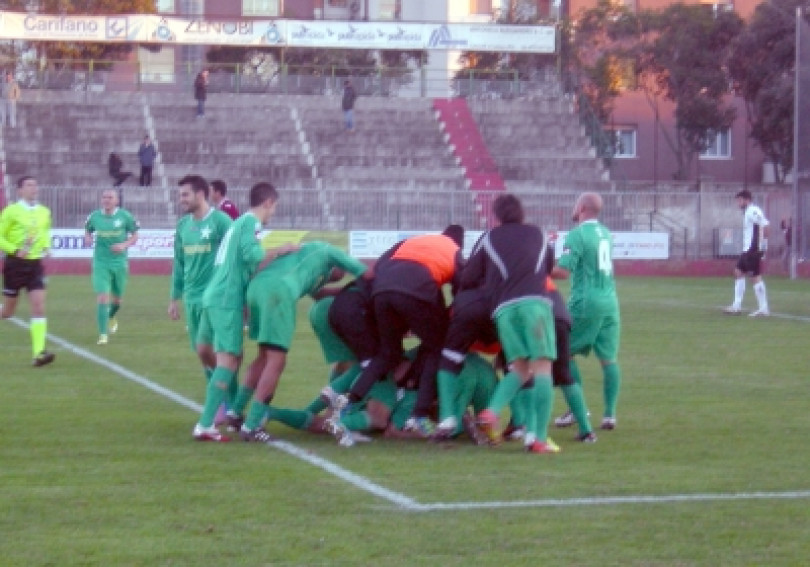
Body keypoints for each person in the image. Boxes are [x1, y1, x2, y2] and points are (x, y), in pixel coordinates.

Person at [332, 225, 465, 437]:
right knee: (437, 347)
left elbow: (381, 265)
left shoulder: (416, 241)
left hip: (381, 293)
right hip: (415, 291)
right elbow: (461, 291)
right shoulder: (454, 251)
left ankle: (348, 402)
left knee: (387, 353)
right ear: (460, 243)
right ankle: (419, 416)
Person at [229, 242, 369, 442]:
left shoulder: (312, 265)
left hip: (258, 288)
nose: (339, 276)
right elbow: (367, 274)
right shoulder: (328, 251)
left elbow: (319, 293)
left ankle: (235, 412)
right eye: (340, 271)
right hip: (279, 291)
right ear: (338, 261)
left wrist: (342, 290)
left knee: (263, 356)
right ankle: (252, 424)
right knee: (276, 360)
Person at [192, 182, 297, 443]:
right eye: (274, 207)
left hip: (213, 294)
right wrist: (279, 250)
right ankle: (206, 424)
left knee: (227, 358)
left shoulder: (239, 224)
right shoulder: (250, 224)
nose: (274, 212)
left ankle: (228, 416)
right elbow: (252, 255)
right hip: (226, 298)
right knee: (228, 360)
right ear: (268, 203)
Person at [464, 194, 559, 454]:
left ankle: (492, 411)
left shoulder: (489, 238)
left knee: (519, 368)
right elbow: (548, 267)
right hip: (534, 306)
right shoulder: (538, 235)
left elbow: (469, 275)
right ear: (522, 212)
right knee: (542, 369)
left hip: (503, 311)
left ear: (495, 216)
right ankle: (538, 437)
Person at [551, 191, 622, 431]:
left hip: (585, 302)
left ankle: (577, 408)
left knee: (562, 353)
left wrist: (533, 269)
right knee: (609, 359)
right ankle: (610, 415)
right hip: (610, 301)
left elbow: (563, 272)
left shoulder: (577, 234)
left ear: (581, 207)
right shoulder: (605, 233)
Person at [168, 175, 233, 393]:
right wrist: (174, 297)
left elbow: (235, 259)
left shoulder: (221, 222)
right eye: (180, 195)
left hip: (215, 299)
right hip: (191, 298)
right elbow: (179, 262)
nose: (181, 200)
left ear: (201, 194)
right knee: (202, 352)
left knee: (214, 351)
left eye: (185, 195)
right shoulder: (183, 225)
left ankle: (228, 402)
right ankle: (222, 401)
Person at [0, 176, 55, 366]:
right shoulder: (11, 211)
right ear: (19, 191)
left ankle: (39, 354)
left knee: (39, 306)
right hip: (14, 265)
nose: (34, 188)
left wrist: (47, 246)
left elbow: (45, 231)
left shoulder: (44, 211)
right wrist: (15, 250)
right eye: (29, 185)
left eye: (35, 184)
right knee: (7, 312)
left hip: (35, 266)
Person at [84, 189, 140, 345]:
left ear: (117, 201)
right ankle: (103, 335)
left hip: (119, 263)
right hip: (101, 263)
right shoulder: (95, 216)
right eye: (104, 197)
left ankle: (111, 316)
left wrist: (124, 244)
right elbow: (87, 230)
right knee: (102, 297)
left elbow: (135, 235)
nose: (107, 200)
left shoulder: (125, 216)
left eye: (110, 197)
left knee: (117, 301)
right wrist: (88, 237)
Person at [723, 189, 770, 317]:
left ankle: (763, 308)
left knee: (755, 277)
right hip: (746, 250)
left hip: (753, 250)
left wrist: (763, 247)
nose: (738, 203)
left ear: (747, 200)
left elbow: (765, 225)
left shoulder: (753, 211)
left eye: (739, 200)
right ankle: (736, 306)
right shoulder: (747, 212)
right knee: (738, 273)